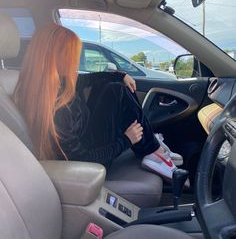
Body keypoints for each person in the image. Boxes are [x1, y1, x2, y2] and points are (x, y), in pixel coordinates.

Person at [13, 23, 181, 180]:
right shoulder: (58, 107)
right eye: (73, 56)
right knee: (117, 91)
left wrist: (120, 75)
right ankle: (153, 151)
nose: (76, 61)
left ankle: (151, 146)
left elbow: (90, 79)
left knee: (111, 87)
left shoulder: (51, 84)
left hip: (86, 137)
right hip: (90, 162)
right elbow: (80, 159)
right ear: (56, 58)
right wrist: (126, 140)